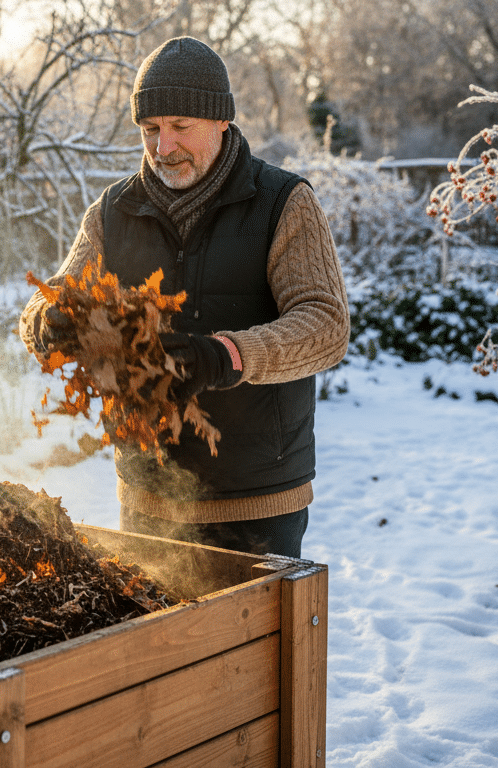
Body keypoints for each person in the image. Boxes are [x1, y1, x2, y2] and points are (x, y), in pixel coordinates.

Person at [20, 37, 349, 559]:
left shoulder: (282, 203)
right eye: (150, 130)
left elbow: (326, 326)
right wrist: (47, 322)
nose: (163, 148)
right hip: (148, 498)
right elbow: (49, 299)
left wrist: (224, 356)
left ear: (221, 120)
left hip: (258, 501)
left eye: (180, 126)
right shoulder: (112, 212)